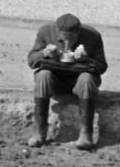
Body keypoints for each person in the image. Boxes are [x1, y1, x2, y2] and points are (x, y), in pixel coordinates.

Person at [25, 12, 108, 150]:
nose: (68, 44)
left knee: (86, 79)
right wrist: (44, 53)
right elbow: (31, 61)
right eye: (64, 39)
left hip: (78, 80)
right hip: (55, 79)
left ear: (78, 32)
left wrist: (86, 59)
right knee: (43, 75)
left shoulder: (93, 36)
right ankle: (39, 132)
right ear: (58, 32)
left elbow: (102, 66)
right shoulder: (45, 32)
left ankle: (86, 134)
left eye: (72, 39)